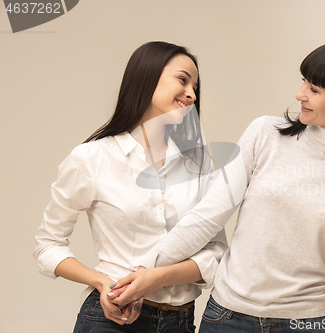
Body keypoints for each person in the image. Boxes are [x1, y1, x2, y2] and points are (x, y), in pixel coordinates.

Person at [110, 37, 325, 333]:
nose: (299, 95)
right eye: (303, 82)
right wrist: (144, 271)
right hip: (228, 317)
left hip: (307, 322)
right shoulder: (266, 135)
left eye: (314, 89)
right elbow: (209, 214)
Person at [33, 41, 227, 333]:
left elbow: (215, 251)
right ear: (147, 77)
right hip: (112, 319)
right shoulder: (92, 158)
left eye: (195, 87)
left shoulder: (197, 162)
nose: (192, 94)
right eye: (182, 79)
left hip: (182, 322)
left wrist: (156, 279)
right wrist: (101, 282)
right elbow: (47, 245)